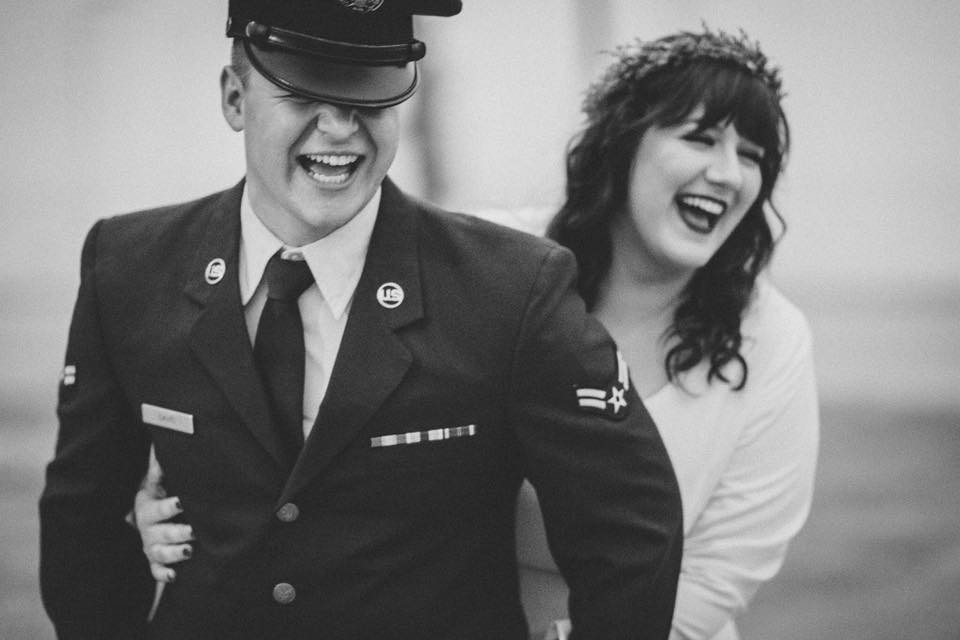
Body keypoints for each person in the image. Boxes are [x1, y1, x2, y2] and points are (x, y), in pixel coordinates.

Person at [38, 2, 683, 639]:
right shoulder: (127, 268)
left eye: (371, 101)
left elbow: (630, 529)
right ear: (236, 98)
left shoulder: (511, 290)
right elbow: (83, 523)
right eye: (303, 95)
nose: (340, 129)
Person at [514, 28, 820, 639]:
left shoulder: (772, 340)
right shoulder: (503, 267)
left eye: (753, 156)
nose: (730, 174)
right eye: (699, 138)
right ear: (621, 146)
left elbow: (719, 574)